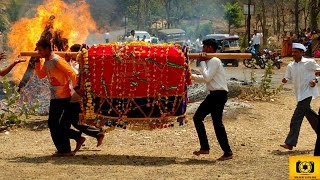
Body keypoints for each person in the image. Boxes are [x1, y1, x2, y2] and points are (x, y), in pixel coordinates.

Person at [191, 38, 233, 161]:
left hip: (217, 94)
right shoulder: (211, 62)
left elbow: (207, 77)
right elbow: (205, 78)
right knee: (217, 123)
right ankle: (226, 151)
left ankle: (206, 147)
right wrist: (191, 76)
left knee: (198, 118)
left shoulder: (214, 60)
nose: (202, 49)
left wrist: (202, 62)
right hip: (216, 94)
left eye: (204, 47)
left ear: (209, 48)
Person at [34, 39, 78, 157]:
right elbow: (41, 75)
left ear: (48, 49)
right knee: (54, 123)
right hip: (55, 97)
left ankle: (65, 149)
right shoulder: (47, 61)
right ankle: (64, 149)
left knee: (55, 123)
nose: (39, 52)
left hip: (63, 96)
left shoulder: (56, 60)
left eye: (41, 50)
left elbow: (71, 73)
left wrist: (77, 89)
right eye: (38, 50)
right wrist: (37, 61)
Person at [64, 44, 105, 153]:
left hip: (75, 98)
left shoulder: (79, 65)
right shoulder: (79, 64)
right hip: (74, 97)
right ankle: (92, 135)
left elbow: (73, 73)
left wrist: (67, 62)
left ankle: (93, 134)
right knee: (74, 121)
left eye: (72, 53)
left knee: (72, 122)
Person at [280, 43, 319, 151]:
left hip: (308, 93)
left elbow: (319, 72)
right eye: (293, 52)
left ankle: (290, 143)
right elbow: (287, 77)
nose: (294, 54)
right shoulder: (290, 66)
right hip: (299, 94)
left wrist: (315, 80)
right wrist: (285, 80)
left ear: (302, 53)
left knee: (295, 119)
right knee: (310, 115)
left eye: (296, 52)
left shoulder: (309, 62)